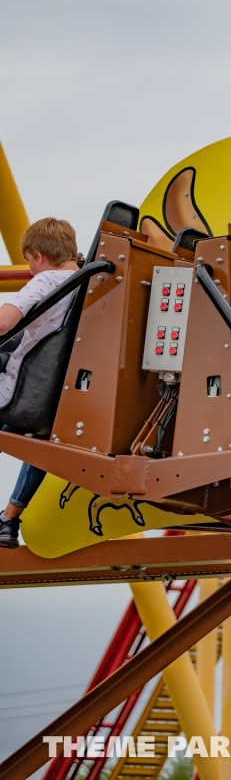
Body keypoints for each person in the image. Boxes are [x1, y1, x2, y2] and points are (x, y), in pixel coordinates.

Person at [0, 218, 80, 549]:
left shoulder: (46, 280)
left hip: (16, 394)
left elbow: (5, 321)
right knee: (43, 443)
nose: (31, 271)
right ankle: (7, 521)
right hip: (58, 396)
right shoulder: (90, 283)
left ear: (38, 256)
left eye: (29, 263)